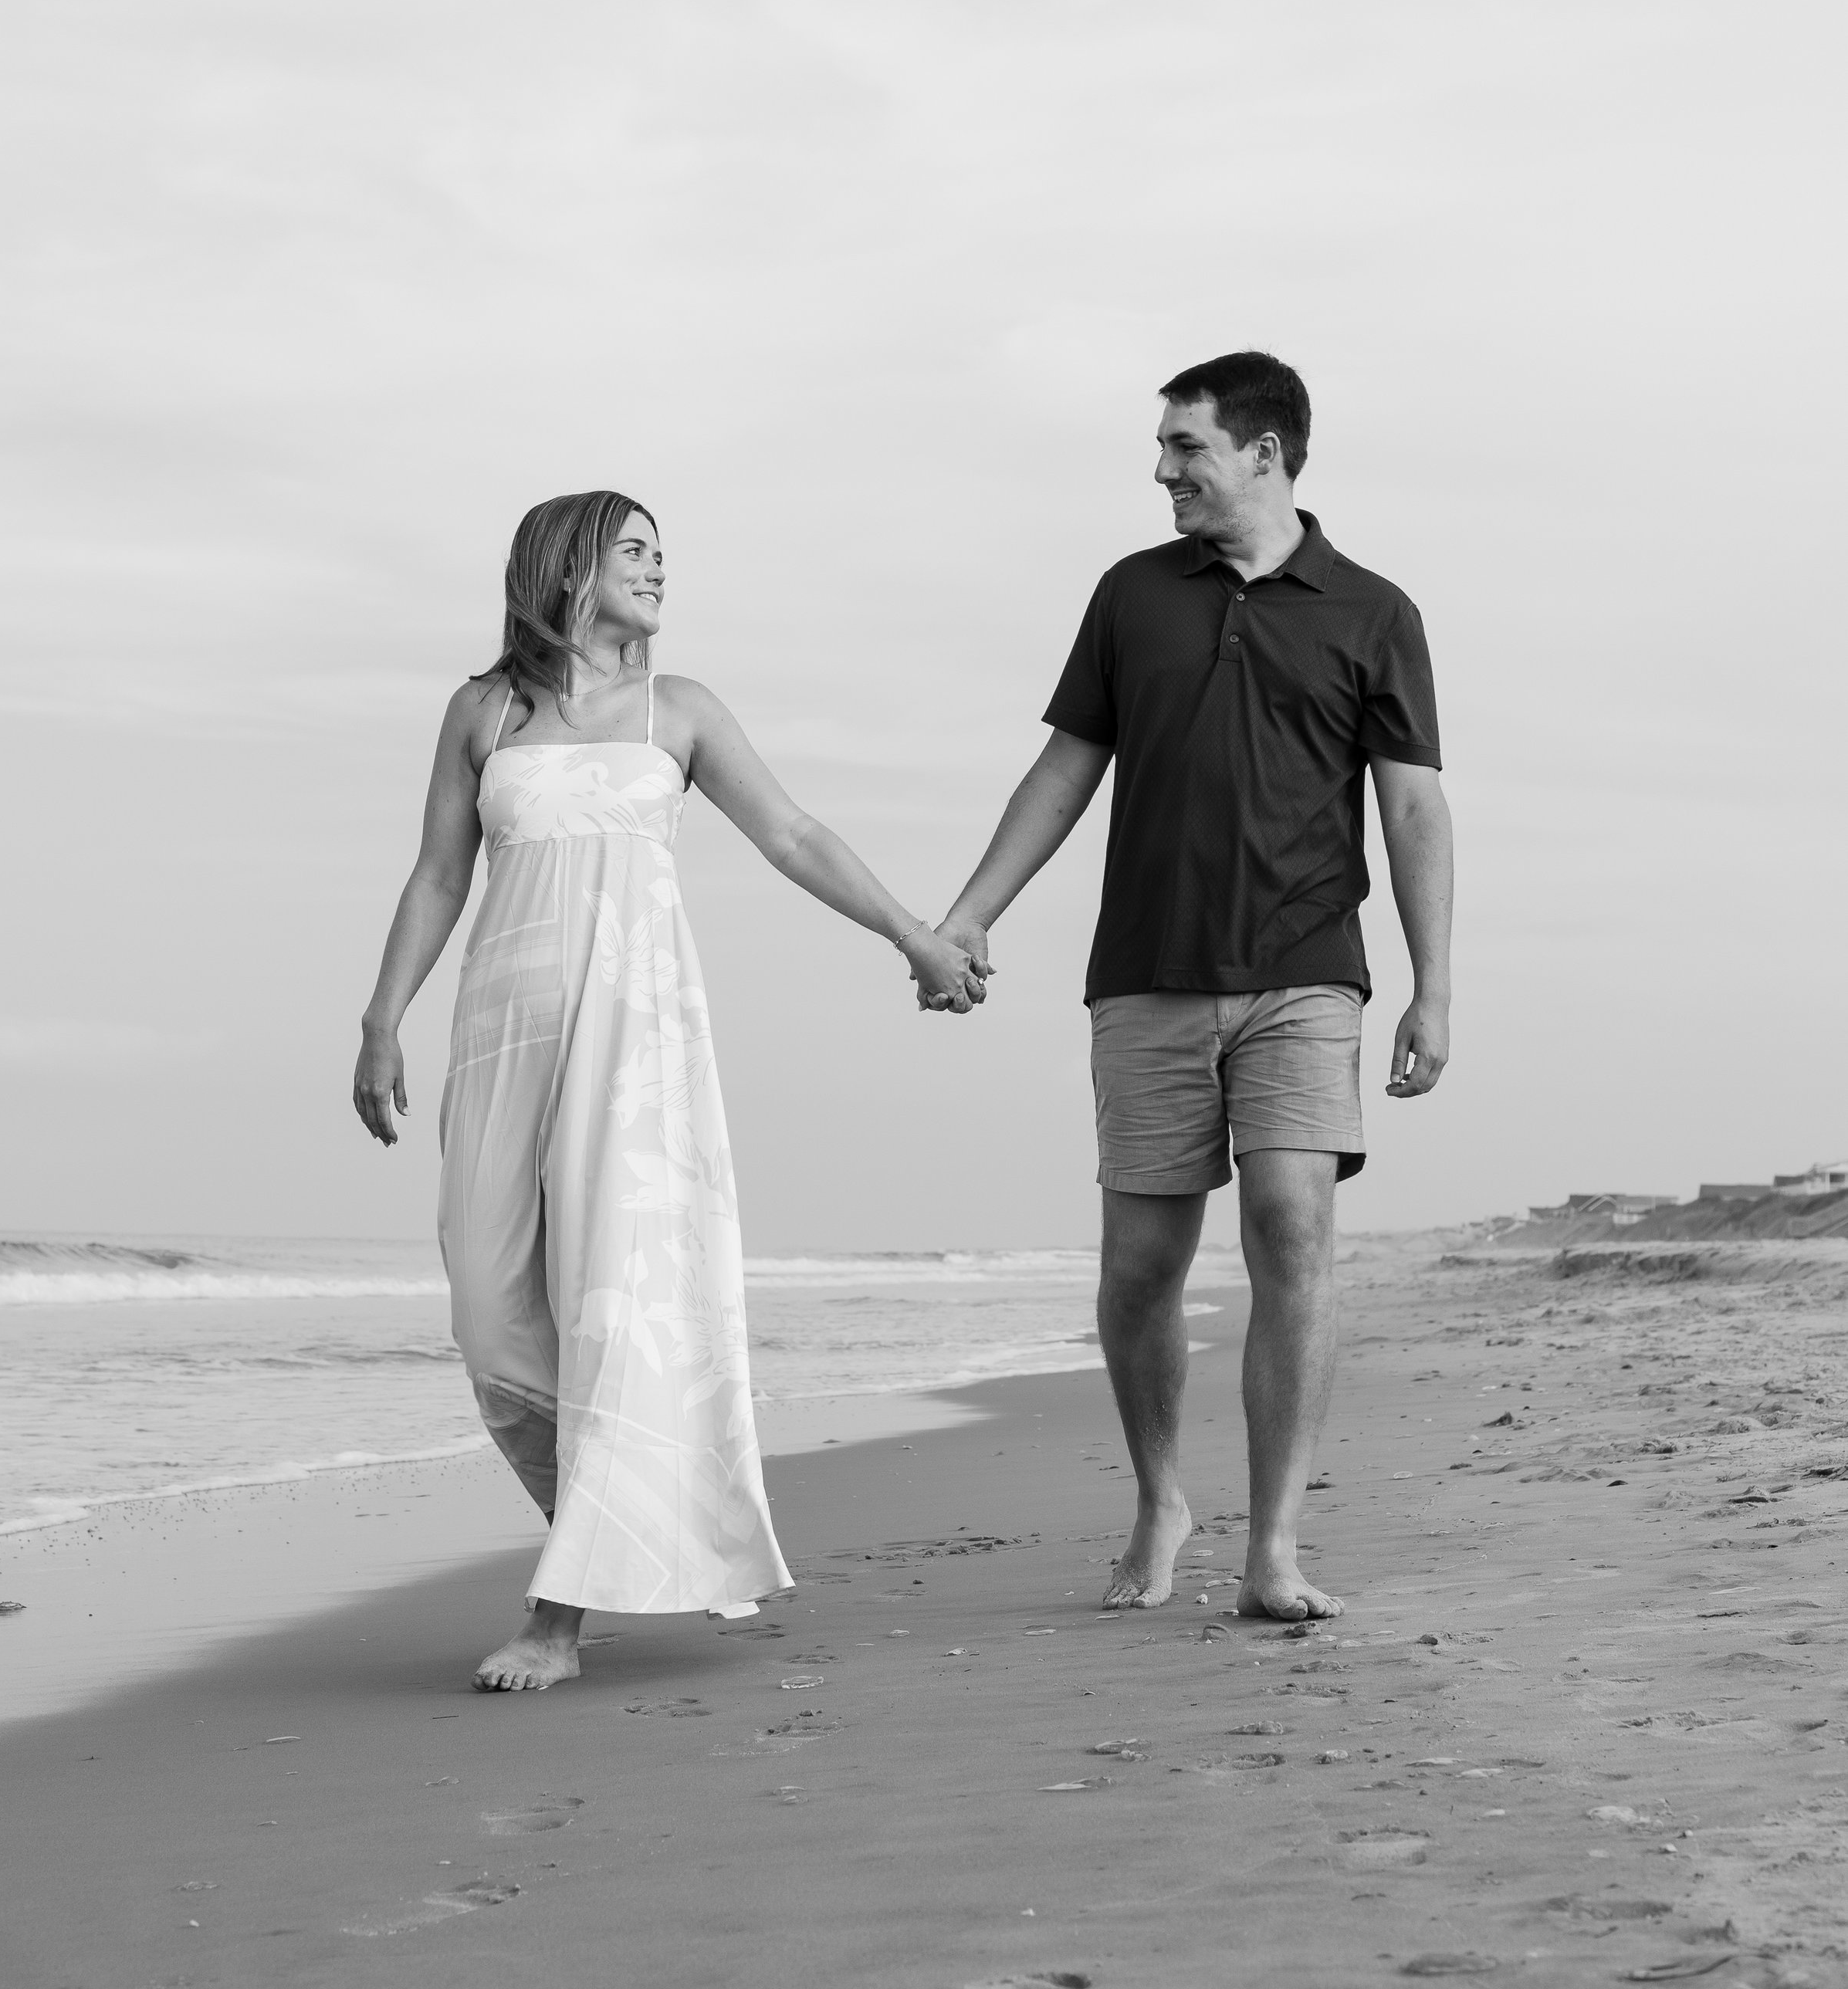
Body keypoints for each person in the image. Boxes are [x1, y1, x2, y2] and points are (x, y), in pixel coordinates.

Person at [353, 489, 979, 1692]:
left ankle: (560, 1612)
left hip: (636, 1041)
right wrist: (384, 1015)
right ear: (567, 565)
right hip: (500, 1029)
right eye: (633, 550)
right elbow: (438, 874)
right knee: (488, 1310)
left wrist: (913, 934)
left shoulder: (678, 709)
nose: (656, 570)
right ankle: (637, 1528)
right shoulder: (482, 712)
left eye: (660, 554)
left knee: (612, 1306)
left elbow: (792, 834)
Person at [923, 353, 1452, 1621]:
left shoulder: (1375, 612)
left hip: (1305, 972)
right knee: (1141, 1265)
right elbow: (1065, 772)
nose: (1163, 469)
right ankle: (1162, 1496)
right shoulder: (1132, 595)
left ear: (1264, 452)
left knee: (1291, 1224)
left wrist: (1434, 986)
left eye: (1185, 446)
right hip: (1146, 975)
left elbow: (1413, 807)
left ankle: (1274, 1548)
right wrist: (971, 911)